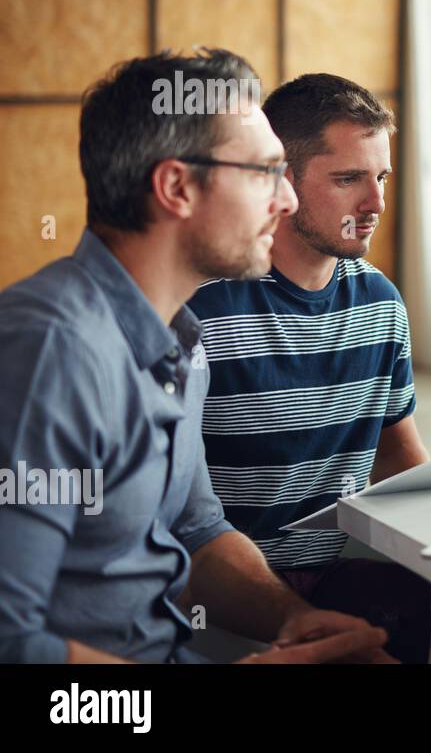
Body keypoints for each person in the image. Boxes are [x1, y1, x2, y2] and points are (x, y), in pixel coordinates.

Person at [0, 49, 390, 663]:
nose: (286, 201)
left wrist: (303, 624)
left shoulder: (181, 340)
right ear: (177, 186)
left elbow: (199, 534)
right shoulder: (52, 348)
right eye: (265, 172)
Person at [187, 73, 431, 663]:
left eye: (381, 178)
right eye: (349, 178)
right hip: (226, 591)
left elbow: (398, 454)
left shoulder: (381, 301)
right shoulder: (200, 310)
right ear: (281, 180)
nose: (375, 202)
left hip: (341, 570)